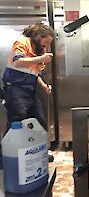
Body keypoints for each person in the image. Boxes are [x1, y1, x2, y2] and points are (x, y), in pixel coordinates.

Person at [2, 23, 55, 160]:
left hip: (29, 91)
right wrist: (41, 59)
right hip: (15, 89)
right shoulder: (22, 43)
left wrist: (43, 86)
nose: (46, 47)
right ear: (38, 36)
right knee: (17, 121)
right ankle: (8, 156)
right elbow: (18, 62)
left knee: (39, 120)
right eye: (45, 42)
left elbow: (34, 73)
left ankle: (38, 152)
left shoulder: (39, 51)